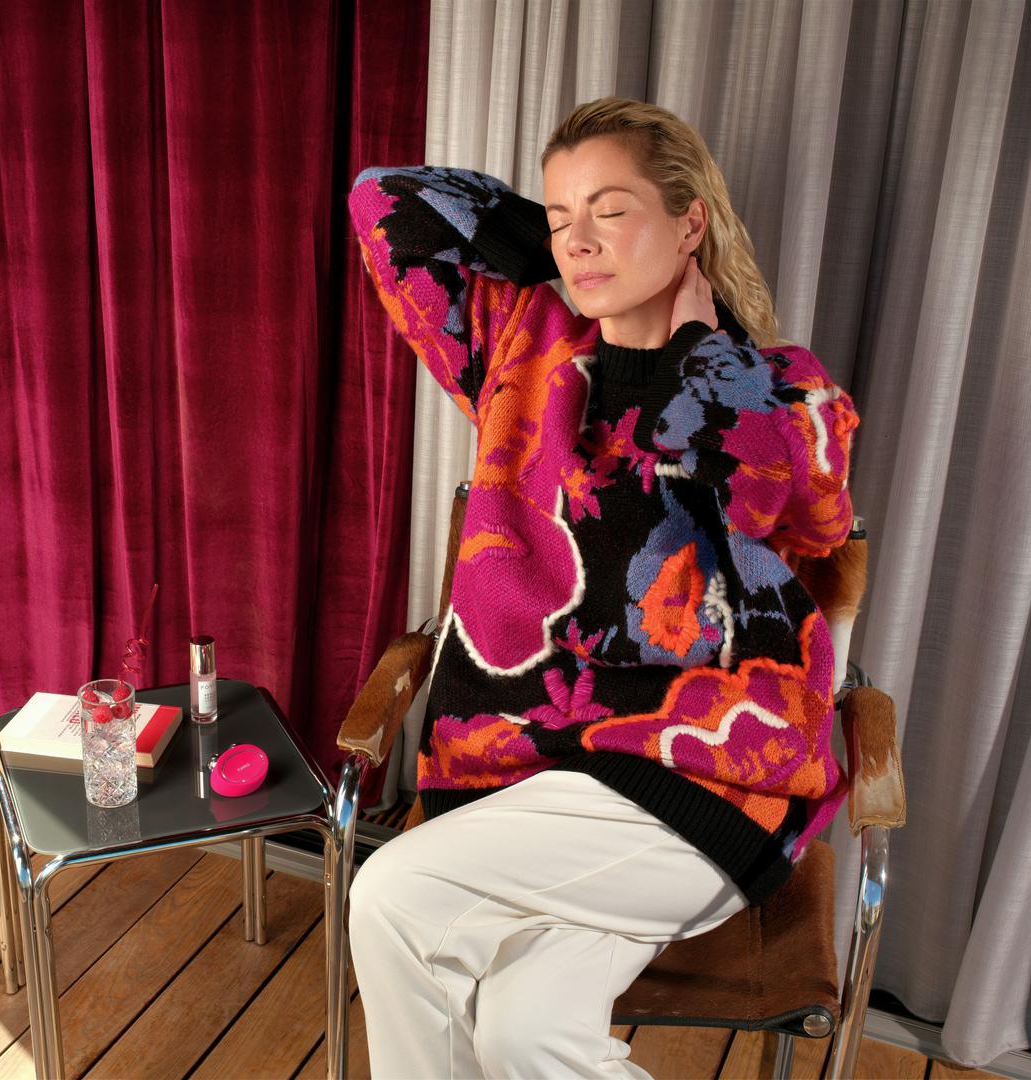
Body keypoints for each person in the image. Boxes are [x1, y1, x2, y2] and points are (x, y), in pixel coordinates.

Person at [344, 96, 860, 1078]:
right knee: (526, 1034)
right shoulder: (523, 346)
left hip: (703, 789)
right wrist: (561, 241)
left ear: (690, 223)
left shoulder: (782, 386)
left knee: (394, 894)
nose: (579, 238)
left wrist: (697, 359)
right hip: (531, 780)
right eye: (560, 214)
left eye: (613, 209)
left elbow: (789, 505)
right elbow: (382, 202)